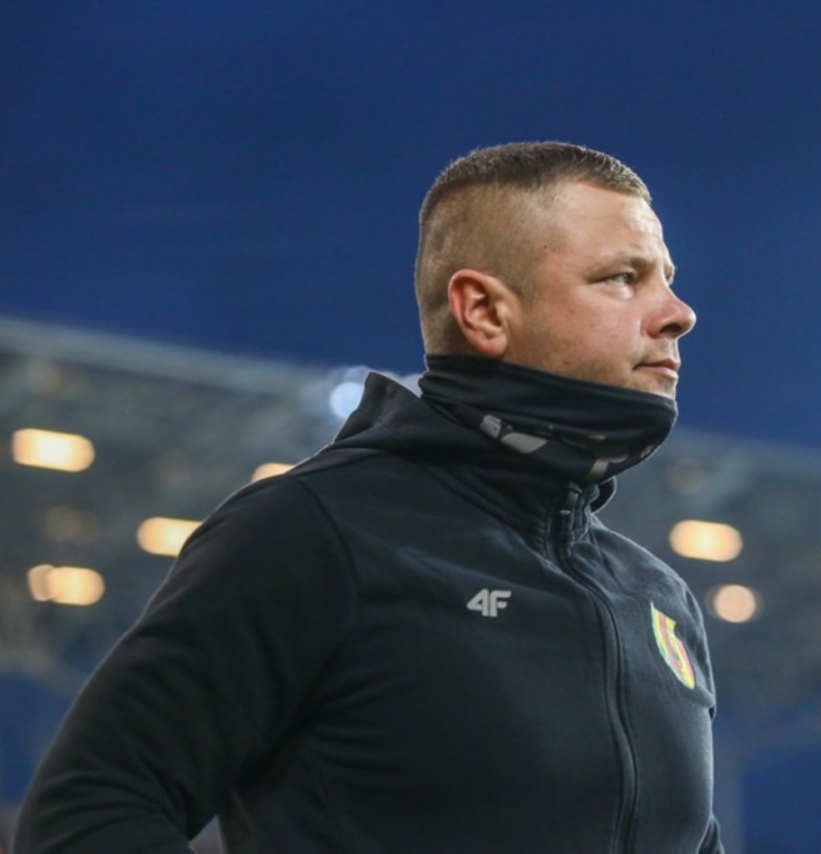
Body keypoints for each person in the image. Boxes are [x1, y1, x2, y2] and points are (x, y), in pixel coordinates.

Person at [15, 142, 722, 853]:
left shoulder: (655, 596)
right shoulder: (315, 533)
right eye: (622, 278)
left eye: (666, 279)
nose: (678, 313)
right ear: (484, 312)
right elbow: (86, 817)